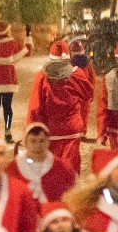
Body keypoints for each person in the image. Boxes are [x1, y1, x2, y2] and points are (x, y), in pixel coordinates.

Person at [27, 39, 94, 172]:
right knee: (71, 169)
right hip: (72, 130)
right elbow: (88, 94)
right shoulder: (77, 74)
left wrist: (31, 129)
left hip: (51, 130)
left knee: (51, 168)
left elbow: (35, 107)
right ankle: (72, 192)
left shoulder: (42, 77)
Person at [5, 122, 77, 203]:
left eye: (42, 141)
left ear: (48, 142)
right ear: (25, 143)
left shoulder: (62, 168)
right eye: (33, 141)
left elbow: (72, 194)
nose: (38, 145)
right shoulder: (13, 169)